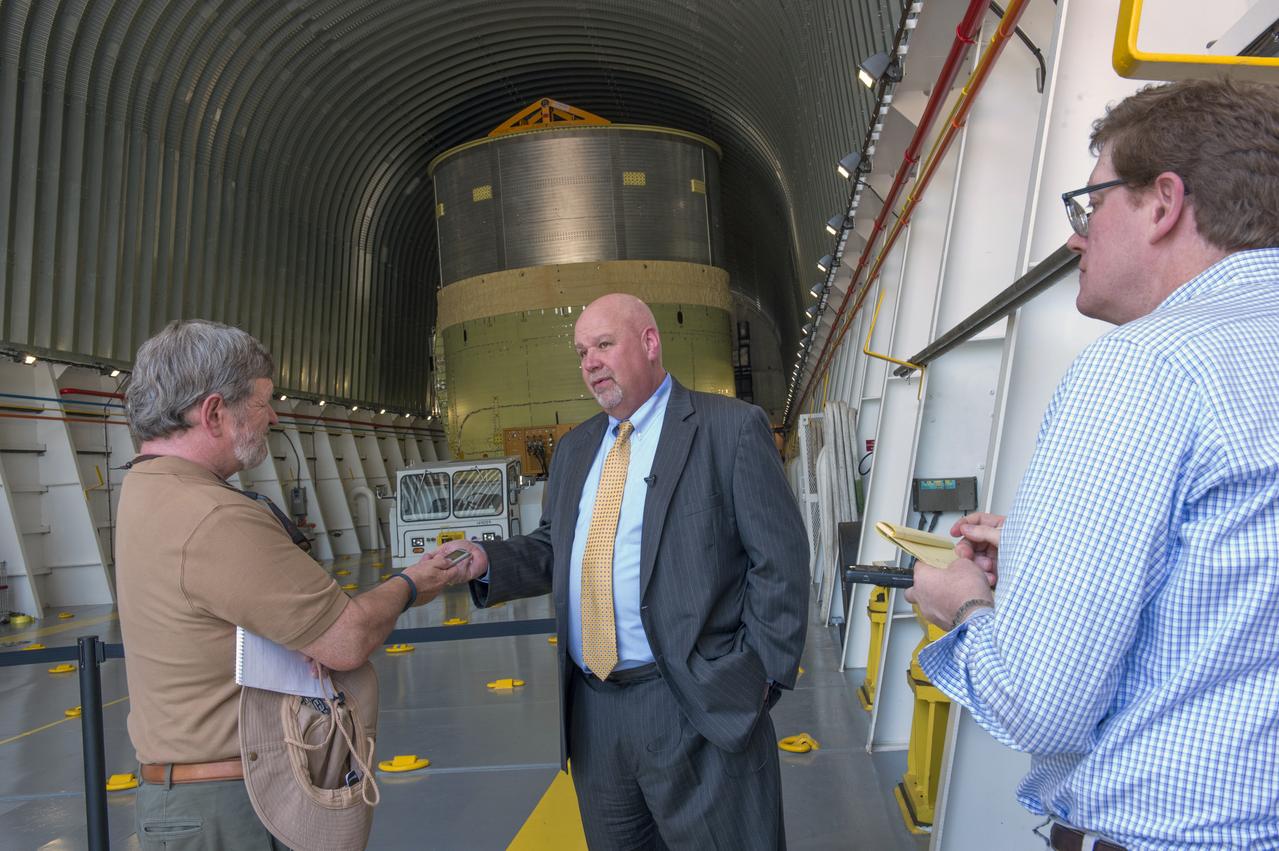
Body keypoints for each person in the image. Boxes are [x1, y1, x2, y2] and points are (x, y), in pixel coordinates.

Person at [907, 78, 1279, 851]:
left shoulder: (1147, 367)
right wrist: (1052, 558)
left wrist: (965, 609)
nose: (1077, 236)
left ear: (1161, 202)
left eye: (1090, 204)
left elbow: (1040, 700)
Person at [441, 293, 809, 848]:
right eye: (582, 351)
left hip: (694, 702)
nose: (589, 361)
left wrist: (758, 681)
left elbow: (780, 562)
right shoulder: (576, 449)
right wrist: (490, 561)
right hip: (596, 716)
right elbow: (555, 546)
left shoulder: (728, 429)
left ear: (649, 342)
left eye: (604, 345)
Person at [116, 319, 468, 849]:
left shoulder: (145, 488)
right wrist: (412, 584)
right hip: (232, 808)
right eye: (263, 401)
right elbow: (346, 638)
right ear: (214, 412)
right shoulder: (212, 516)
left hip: (181, 798)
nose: (274, 416)